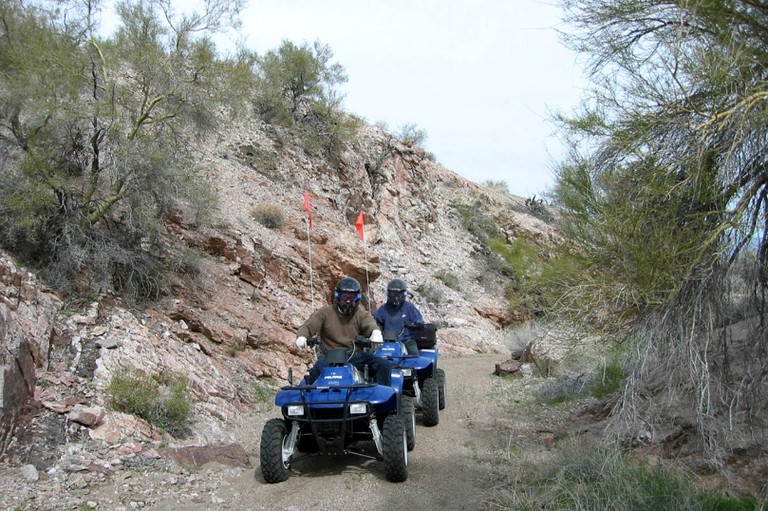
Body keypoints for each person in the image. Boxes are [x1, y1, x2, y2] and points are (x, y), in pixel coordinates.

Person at [295, 277, 391, 385]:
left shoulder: (361, 314)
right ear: (337, 296)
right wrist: (302, 336)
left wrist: (375, 332)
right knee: (312, 377)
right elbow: (309, 326)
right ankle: (306, 399)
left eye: (352, 297)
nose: (348, 301)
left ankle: (383, 398)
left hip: (354, 356)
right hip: (328, 357)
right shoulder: (325, 312)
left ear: (358, 298)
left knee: (383, 365)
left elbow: (369, 323)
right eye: (344, 297)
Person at [373, 278, 425, 356]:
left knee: (415, 357)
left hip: (406, 340)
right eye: (393, 294)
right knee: (371, 356)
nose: (396, 297)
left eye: (398, 294)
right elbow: (374, 320)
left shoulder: (409, 307)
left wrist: (413, 325)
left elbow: (419, 321)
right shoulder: (383, 308)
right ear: (388, 294)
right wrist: (376, 329)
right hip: (386, 342)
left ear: (403, 294)